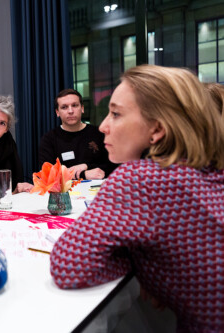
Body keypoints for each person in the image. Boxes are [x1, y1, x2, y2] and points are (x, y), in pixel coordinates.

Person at [50, 65, 224, 332]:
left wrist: (141, 260)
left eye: (116, 114)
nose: (104, 126)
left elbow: (68, 266)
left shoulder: (143, 179)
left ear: (157, 129)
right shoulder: (211, 170)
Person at [38, 89, 117, 179]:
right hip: (66, 192)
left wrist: (87, 166)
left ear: (82, 108)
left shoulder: (99, 134)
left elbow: (114, 165)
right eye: (64, 107)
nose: (70, 111)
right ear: (57, 112)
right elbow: (47, 175)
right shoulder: (49, 139)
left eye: (75, 105)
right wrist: (84, 175)